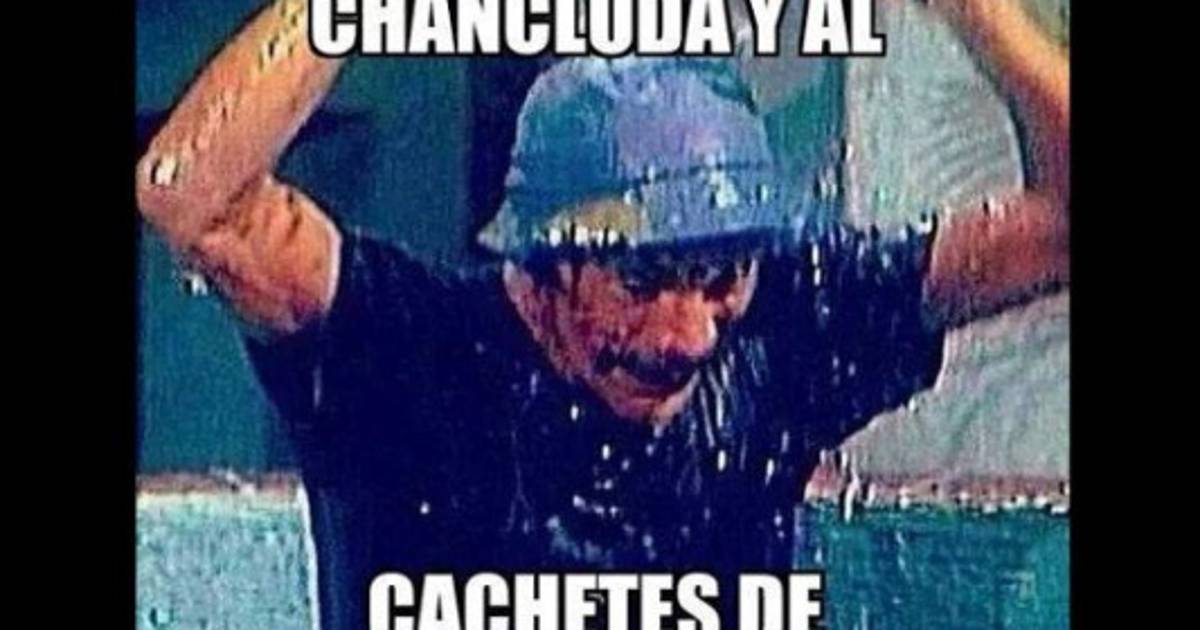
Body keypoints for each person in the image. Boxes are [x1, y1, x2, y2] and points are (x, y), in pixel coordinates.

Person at [135, 1, 1068, 627]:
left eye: (721, 279)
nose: (688, 334)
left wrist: (979, 14)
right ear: (540, 269)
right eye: (641, 283)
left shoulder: (788, 323)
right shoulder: (403, 353)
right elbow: (190, 199)